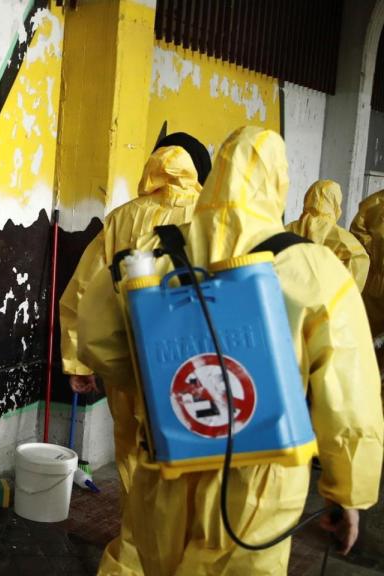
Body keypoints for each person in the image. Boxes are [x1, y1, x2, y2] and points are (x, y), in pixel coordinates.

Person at [79, 126, 383, 575]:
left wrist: (158, 390)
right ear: (279, 184)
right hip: (260, 478)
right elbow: (349, 394)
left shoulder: (155, 252)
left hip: (168, 458)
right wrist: (347, 491)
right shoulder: (311, 267)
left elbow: (97, 339)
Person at [58, 141, 205, 571]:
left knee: (132, 457)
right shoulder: (212, 218)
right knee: (187, 464)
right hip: (189, 368)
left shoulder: (122, 218)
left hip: (127, 363)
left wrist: (79, 361)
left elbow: (82, 291)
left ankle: (136, 551)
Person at [286, 180, 368, 291]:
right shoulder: (346, 241)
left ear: (307, 199)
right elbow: (357, 273)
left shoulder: (285, 230)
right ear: (335, 204)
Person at [350, 187, 384, 342]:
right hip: (374, 281)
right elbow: (357, 235)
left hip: (375, 280)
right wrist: (375, 250)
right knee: (368, 335)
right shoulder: (373, 204)